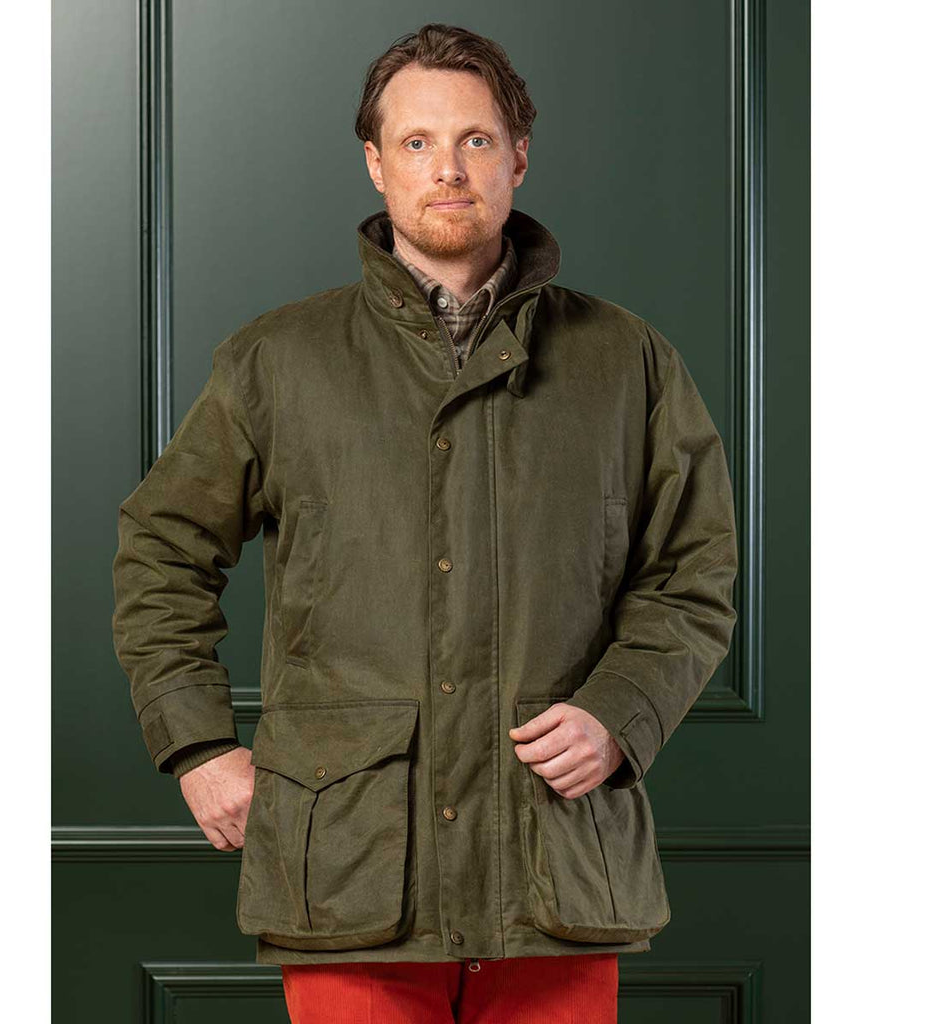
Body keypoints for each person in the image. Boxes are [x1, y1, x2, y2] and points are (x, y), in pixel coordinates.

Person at [111, 22, 738, 1024]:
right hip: (350, 870)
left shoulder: (627, 361)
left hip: (555, 866)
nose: (448, 168)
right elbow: (160, 554)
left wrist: (622, 709)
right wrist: (198, 747)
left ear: (519, 156)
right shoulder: (278, 360)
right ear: (375, 162)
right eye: (416, 142)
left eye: (475, 140)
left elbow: (693, 573)